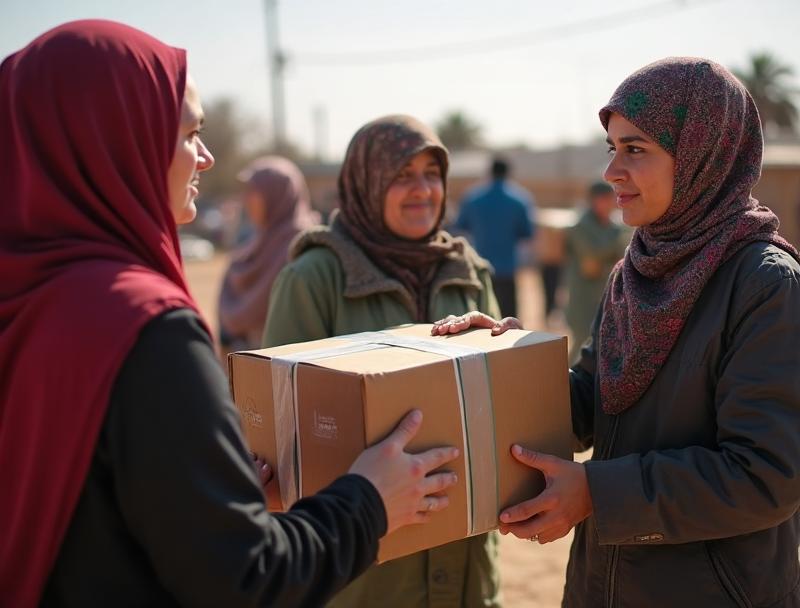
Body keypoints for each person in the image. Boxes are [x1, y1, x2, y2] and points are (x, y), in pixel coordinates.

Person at [0, 21, 461, 607]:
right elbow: (245, 579)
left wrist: (210, 491)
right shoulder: (141, 328)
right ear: (119, 140)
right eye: (190, 133)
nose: (207, 157)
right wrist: (369, 499)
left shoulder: (32, 297)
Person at [433, 57, 800, 607]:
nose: (612, 172)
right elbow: (594, 399)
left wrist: (597, 493)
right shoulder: (639, 267)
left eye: (636, 149)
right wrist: (506, 364)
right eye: (613, 148)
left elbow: (765, 476)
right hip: (603, 584)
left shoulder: (763, 285)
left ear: (703, 155)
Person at [263, 115, 502, 607]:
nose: (422, 190)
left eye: (431, 174)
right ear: (366, 182)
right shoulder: (315, 277)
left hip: (465, 569)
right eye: (401, 175)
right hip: (366, 572)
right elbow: (283, 432)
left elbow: (497, 403)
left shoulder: (469, 272)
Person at [218, 156, 319, 354]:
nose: (245, 199)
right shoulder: (255, 242)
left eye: (253, 191)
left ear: (277, 194)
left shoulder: (306, 245)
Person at [455, 157, 535, 318]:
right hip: (507, 268)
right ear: (508, 173)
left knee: (480, 318)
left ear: (490, 172)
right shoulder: (519, 199)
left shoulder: (473, 197)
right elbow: (527, 233)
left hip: (479, 268)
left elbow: (461, 225)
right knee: (507, 321)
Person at [563, 181, 629, 362]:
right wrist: (612, 256)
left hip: (610, 297)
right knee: (583, 344)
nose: (609, 204)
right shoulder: (580, 227)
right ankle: (565, 384)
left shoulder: (616, 227)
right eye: (604, 199)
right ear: (593, 201)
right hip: (584, 298)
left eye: (611, 199)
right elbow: (591, 265)